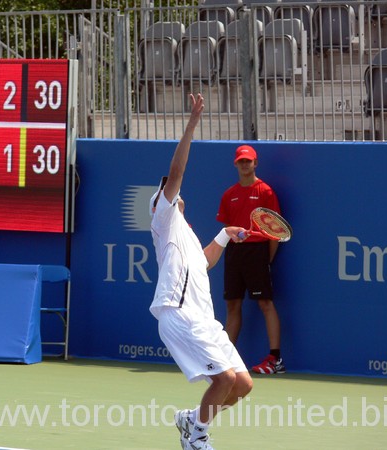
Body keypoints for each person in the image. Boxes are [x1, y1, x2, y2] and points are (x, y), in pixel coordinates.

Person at [149, 93, 253, 450]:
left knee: (242, 385)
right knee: (222, 379)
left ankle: (191, 420)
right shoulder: (164, 219)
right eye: (168, 191)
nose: (175, 191)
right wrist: (192, 124)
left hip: (204, 319)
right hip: (178, 315)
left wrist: (225, 234)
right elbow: (176, 172)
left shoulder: (187, 236)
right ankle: (197, 439)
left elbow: (205, 263)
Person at [216, 144, 286, 375]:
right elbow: (228, 229)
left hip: (258, 252)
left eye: (249, 161)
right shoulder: (229, 194)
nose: (245, 164)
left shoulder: (265, 191)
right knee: (232, 304)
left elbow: (275, 230)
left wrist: (267, 259)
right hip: (234, 253)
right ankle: (225, 360)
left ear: (255, 163)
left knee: (265, 303)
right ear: (236, 164)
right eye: (241, 161)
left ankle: (275, 359)